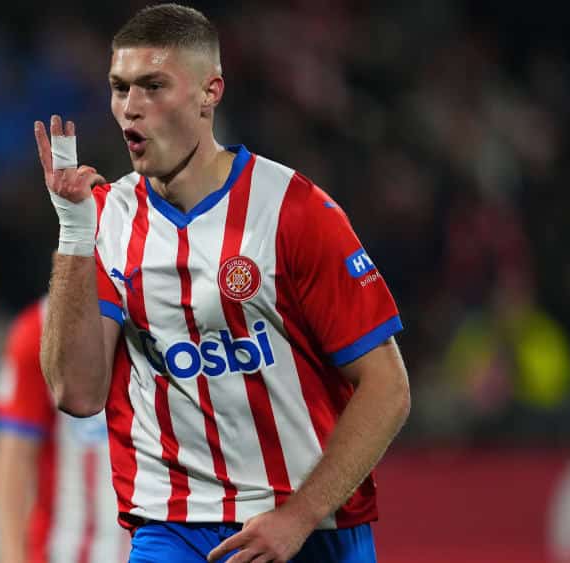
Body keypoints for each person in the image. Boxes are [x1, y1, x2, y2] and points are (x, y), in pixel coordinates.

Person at [33, 4, 411, 562]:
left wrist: (298, 517)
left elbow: (388, 387)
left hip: (310, 527)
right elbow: (76, 392)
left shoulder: (292, 210)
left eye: (153, 86)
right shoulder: (106, 218)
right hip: (172, 527)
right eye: (119, 87)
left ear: (210, 93)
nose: (130, 107)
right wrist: (73, 233)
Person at [0, 297, 131, 563]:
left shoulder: (172, 316)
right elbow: (14, 458)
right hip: (68, 552)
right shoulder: (40, 327)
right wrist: (11, 556)